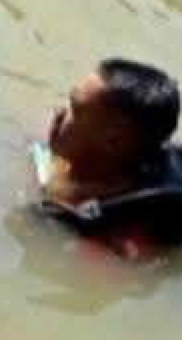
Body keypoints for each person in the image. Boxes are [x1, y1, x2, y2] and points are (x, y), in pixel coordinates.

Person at [34, 59, 182, 252]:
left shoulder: (119, 240)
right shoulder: (66, 145)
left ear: (113, 141)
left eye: (75, 109)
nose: (59, 112)